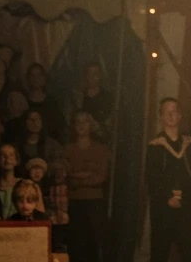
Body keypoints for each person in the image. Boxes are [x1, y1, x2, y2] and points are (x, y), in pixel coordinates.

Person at [146, 98, 191, 262]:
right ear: (161, 116)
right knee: (160, 250)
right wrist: (166, 197)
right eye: (167, 112)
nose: (172, 115)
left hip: (187, 205)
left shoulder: (189, 144)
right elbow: (152, 177)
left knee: (190, 250)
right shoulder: (155, 146)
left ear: (180, 116)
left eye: (175, 111)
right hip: (164, 207)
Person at [65, 109, 112, 262]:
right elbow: (65, 174)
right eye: (78, 121)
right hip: (73, 202)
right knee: (75, 242)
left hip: (94, 202)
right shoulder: (67, 149)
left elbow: (101, 177)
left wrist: (76, 177)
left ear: (91, 125)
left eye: (85, 121)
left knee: (94, 242)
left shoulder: (101, 149)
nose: (81, 125)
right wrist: (87, 173)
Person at [69, 62, 115, 137]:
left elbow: (110, 123)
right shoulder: (78, 97)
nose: (92, 77)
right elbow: (72, 119)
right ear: (86, 76)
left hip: (100, 139)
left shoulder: (108, 97)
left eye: (95, 74)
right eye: (89, 73)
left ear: (100, 76)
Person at [24, 63, 65, 142]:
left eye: (39, 75)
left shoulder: (52, 102)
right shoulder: (22, 101)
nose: (35, 79)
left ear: (44, 78)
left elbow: (58, 126)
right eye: (32, 76)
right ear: (28, 78)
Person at [0, 143, 21, 219]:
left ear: (16, 160)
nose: (7, 158)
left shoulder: (25, 185)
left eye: (11, 155)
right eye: (3, 155)